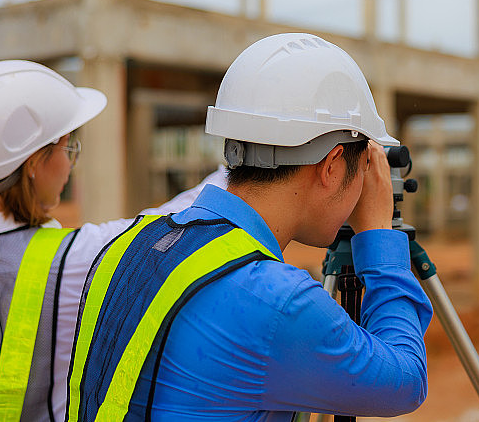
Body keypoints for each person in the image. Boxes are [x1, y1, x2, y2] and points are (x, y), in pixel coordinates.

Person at [68, 33, 433, 421]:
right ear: (333, 166)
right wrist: (379, 237)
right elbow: (405, 381)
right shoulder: (279, 302)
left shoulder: (133, 244)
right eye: (363, 169)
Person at [0, 60, 225, 421]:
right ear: (35, 162)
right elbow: (182, 212)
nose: (71, 165)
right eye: (69, 148)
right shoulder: (73, 260)